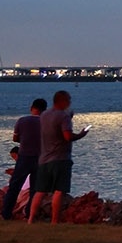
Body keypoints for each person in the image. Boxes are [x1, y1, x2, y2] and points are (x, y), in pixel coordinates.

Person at [29, 90, 86, 225]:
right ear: (62, 101)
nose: (70, 102)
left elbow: (52, 129)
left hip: (44, 159)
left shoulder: (44, 115)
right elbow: (67, 137)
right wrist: (82, 134)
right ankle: (54, 221)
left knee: (40, 191)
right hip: (60, 158)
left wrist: (68, 119)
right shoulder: (63, 117)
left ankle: (30, 219)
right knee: (59, 191)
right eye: (68, 100)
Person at [2, 97, 45, 220]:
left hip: (24, 156)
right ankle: (29, 213)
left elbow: (15, 139)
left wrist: (25, 139)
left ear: (32, 108)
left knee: (14, 186)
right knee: (35, 189)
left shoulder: (22, 121)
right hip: (40, 157)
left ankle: (6, 213)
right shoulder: (46, 123)